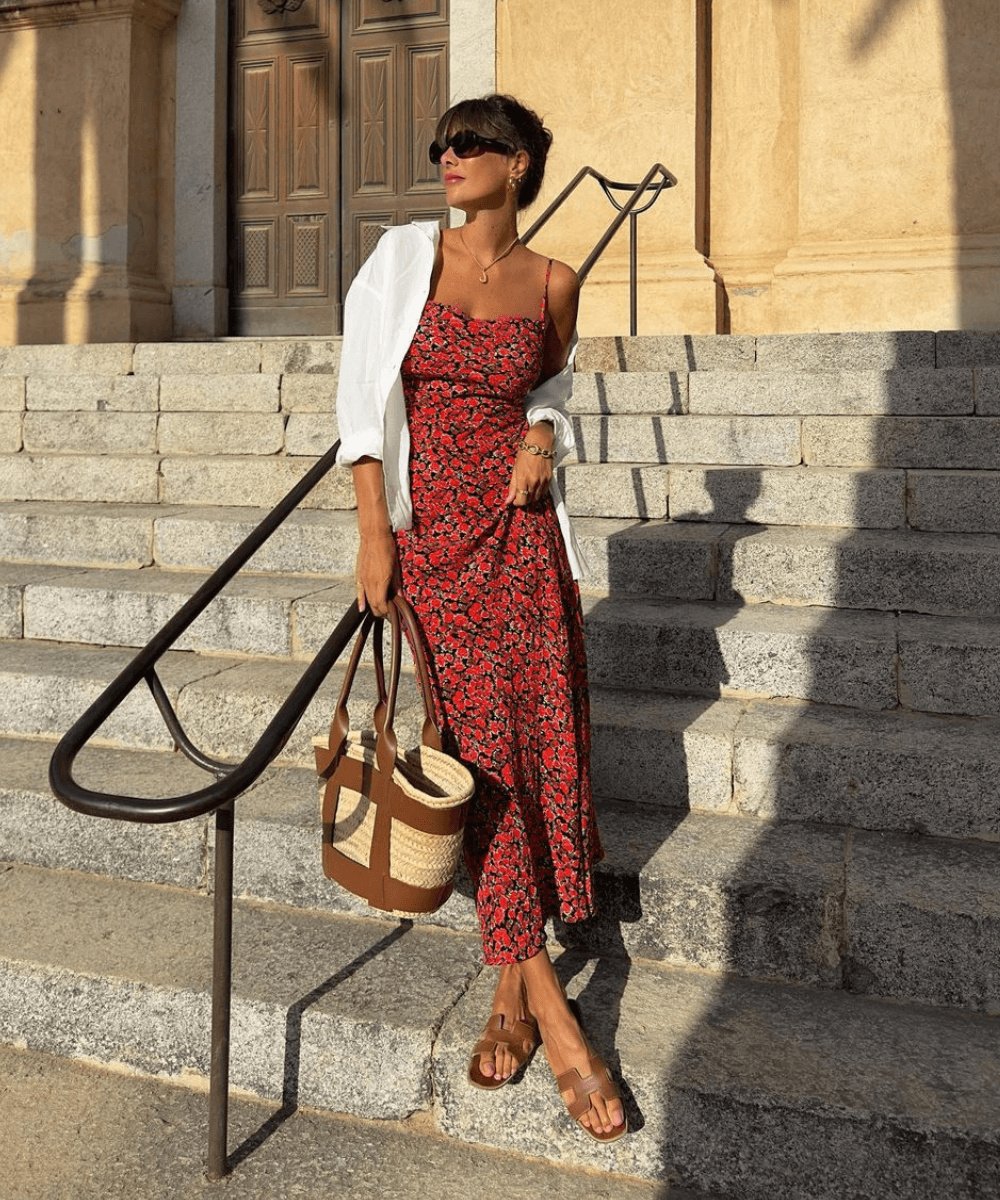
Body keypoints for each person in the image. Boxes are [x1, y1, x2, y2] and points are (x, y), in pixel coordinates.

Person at [335, 93, 626, 1142]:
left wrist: (545, 433)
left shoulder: (554, 279)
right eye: (443, 145)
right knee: (479, 753)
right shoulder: (402, 261)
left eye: (472, 144)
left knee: (535, 749)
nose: (448, 156)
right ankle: (560, 1022)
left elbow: (553, 386)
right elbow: (361, 406)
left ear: (521, 163)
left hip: (523, 542)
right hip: (436, 546)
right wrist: (375, 535)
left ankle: (506, 994)